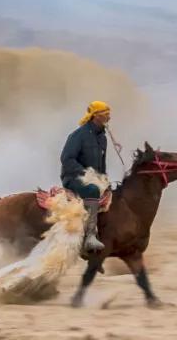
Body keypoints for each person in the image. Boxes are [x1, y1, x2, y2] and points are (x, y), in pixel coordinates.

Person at [60, 101, 111, 253]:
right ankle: (90, 236)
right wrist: (86, 174)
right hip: (73, 178)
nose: (109, 117)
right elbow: (66, 159)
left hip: (94, 178)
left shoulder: (102, 138)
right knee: (93, 190)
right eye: (105, 113)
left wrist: (104, 180)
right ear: (95, 115)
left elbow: (101, 164)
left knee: (110, 192)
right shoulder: (78, 135)